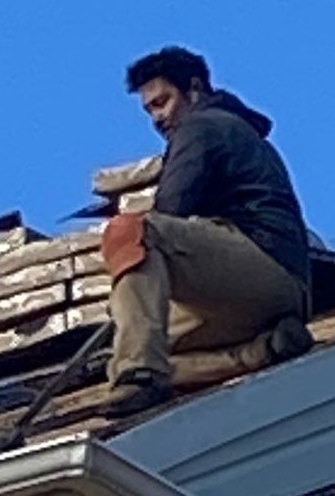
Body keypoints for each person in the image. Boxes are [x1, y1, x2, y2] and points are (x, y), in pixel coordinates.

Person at [104, 49, 314, 403]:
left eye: (162, 102)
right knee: (130, 346)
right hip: (276, 294)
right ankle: (258, 353)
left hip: (261, 265)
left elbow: (168, 212)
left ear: (195, 88)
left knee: (129, 232)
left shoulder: (202, 127)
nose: (157, 118)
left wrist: (128, 268)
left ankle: (140, 375)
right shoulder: (235, 129)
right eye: (149, 110)